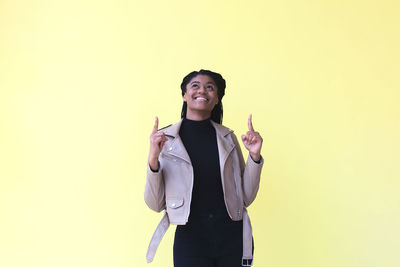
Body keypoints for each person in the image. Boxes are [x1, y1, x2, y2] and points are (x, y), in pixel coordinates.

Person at [144, 69, 264, 267]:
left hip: (233, 237)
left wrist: (254, 155)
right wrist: (153, 159)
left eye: (210, 87)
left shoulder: (228, 138)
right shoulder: (165, 140)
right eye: (195, 86)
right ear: (184, 95)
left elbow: (247, 197)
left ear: (217, 99)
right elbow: (155, 204)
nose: (203, 91)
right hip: (191, 239)